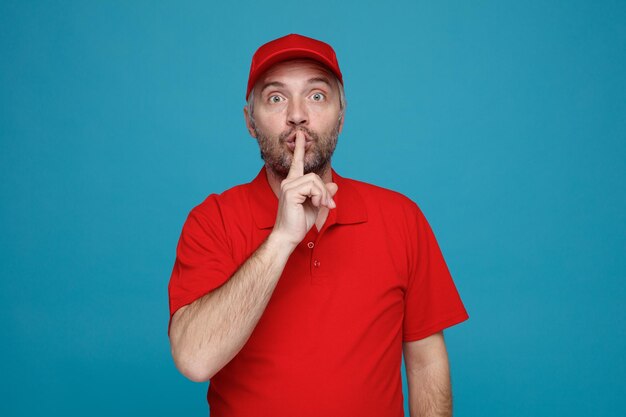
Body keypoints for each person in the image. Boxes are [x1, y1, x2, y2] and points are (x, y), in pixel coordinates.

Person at [167, 33, 469, 417]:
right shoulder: (212, 221)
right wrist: (281, 239)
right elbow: (195, 360)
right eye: (276, 98)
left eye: (316, 96)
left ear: (341, 116)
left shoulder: (401, 218)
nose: (297, 114)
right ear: (249, 121)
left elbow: (426, 363)